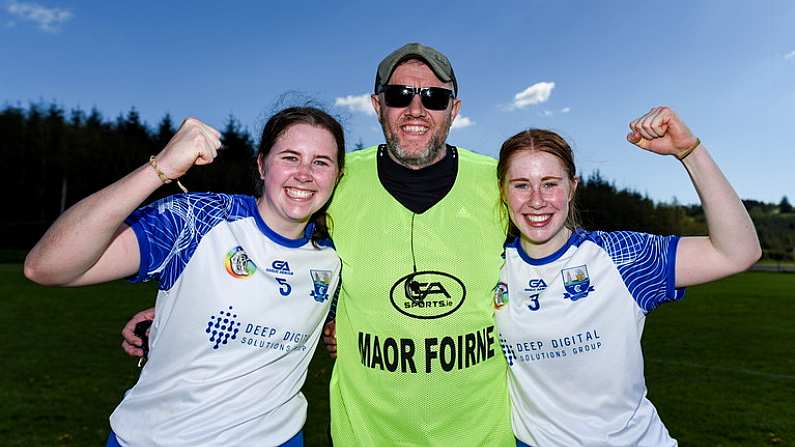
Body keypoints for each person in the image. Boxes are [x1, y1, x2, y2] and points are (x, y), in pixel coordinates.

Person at [122, 43, 515, 446]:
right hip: (366, 436)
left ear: (455, 108)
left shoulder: (500, 183)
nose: (416, 109)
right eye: (399, 96)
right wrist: (187, 302)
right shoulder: (337, 180)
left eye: (434, 97)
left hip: (483, 434)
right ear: (377, 106)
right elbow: (277, 244)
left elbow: (549, 260)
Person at [24, 107, 345, 446]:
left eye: (321, 162)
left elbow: (344, 323)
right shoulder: (196, 219)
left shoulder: (335, 254)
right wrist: (159, 168)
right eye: (291, 157)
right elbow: (45, 267)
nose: (304, 174)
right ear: (262, 164)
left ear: (337, 177)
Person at [494, 107, 761, 446]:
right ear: (503, 190)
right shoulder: (492, 266)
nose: (536, 201)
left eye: (550, 184)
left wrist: (690, 152)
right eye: (521, 185)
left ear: (572, 187)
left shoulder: (621, 255)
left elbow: (739, 252)